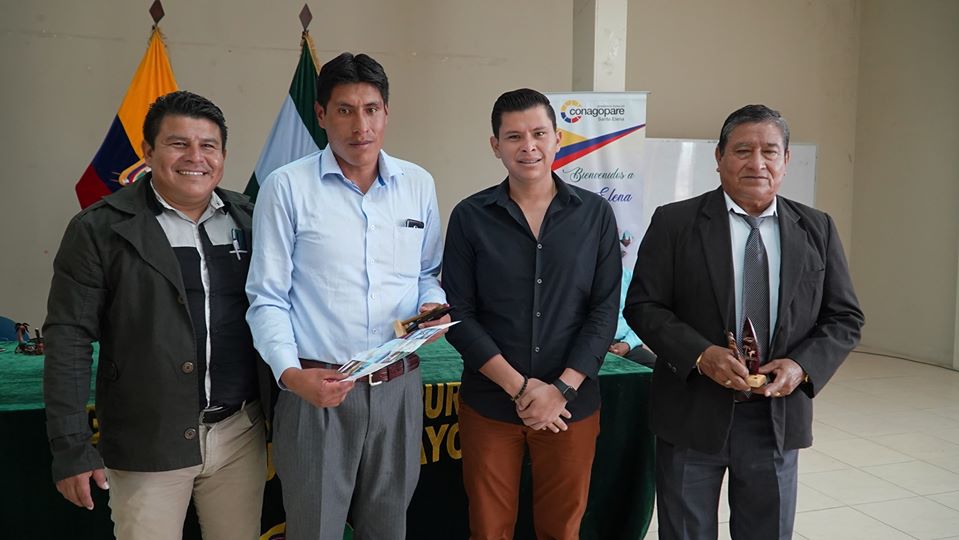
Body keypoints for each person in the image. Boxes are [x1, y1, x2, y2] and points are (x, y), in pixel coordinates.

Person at [624, 104, 865, 539]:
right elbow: (644, 305)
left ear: (786, 160)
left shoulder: (817, 228)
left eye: (770, 151)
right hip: (692, 411)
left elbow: (844, 317)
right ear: (719, 157)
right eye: (742, 150)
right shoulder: (675, 222)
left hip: (776, 417)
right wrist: (701, 355)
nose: (757, 163)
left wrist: (801, 366)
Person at [44, 91, 270, 539]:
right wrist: (70, 447)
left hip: (239, 432)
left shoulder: (251, 219)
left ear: (223, 156)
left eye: (208, 145)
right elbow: (68, 338)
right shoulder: (99, 230)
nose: (195, 157)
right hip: (146, 439)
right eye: (178, 144)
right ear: (148, 152)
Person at [245, 52, 448, 540]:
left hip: (399, 388)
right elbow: (267, 297)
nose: (361, 125)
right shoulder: (286, 187)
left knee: (388, 527)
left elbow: (427, 273)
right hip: (317, 388)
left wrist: (432, 304)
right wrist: (292, 376)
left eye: (372, 109)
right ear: (321, 114)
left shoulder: (417, 184)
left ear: (386, 112)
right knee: (314, 529)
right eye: (345, 110)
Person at [442, 88, 621, 540]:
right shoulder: (470, 216)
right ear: (495, 145)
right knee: (489, 530)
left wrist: (560, 390)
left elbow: (603, 311)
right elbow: (458, 314)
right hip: (490, 402)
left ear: (558, 138)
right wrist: (521, 388)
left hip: (571, 405)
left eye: (539, 133)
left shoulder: (595, 214)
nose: (529, 146)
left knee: (561, 530)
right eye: (514, 136)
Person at [609, 267, 656, 367]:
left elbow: (641, 319)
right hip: (595, 341)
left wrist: (628, 344)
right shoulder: (587, 276)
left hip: (625, 342)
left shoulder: (630, 277)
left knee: (654, 365)